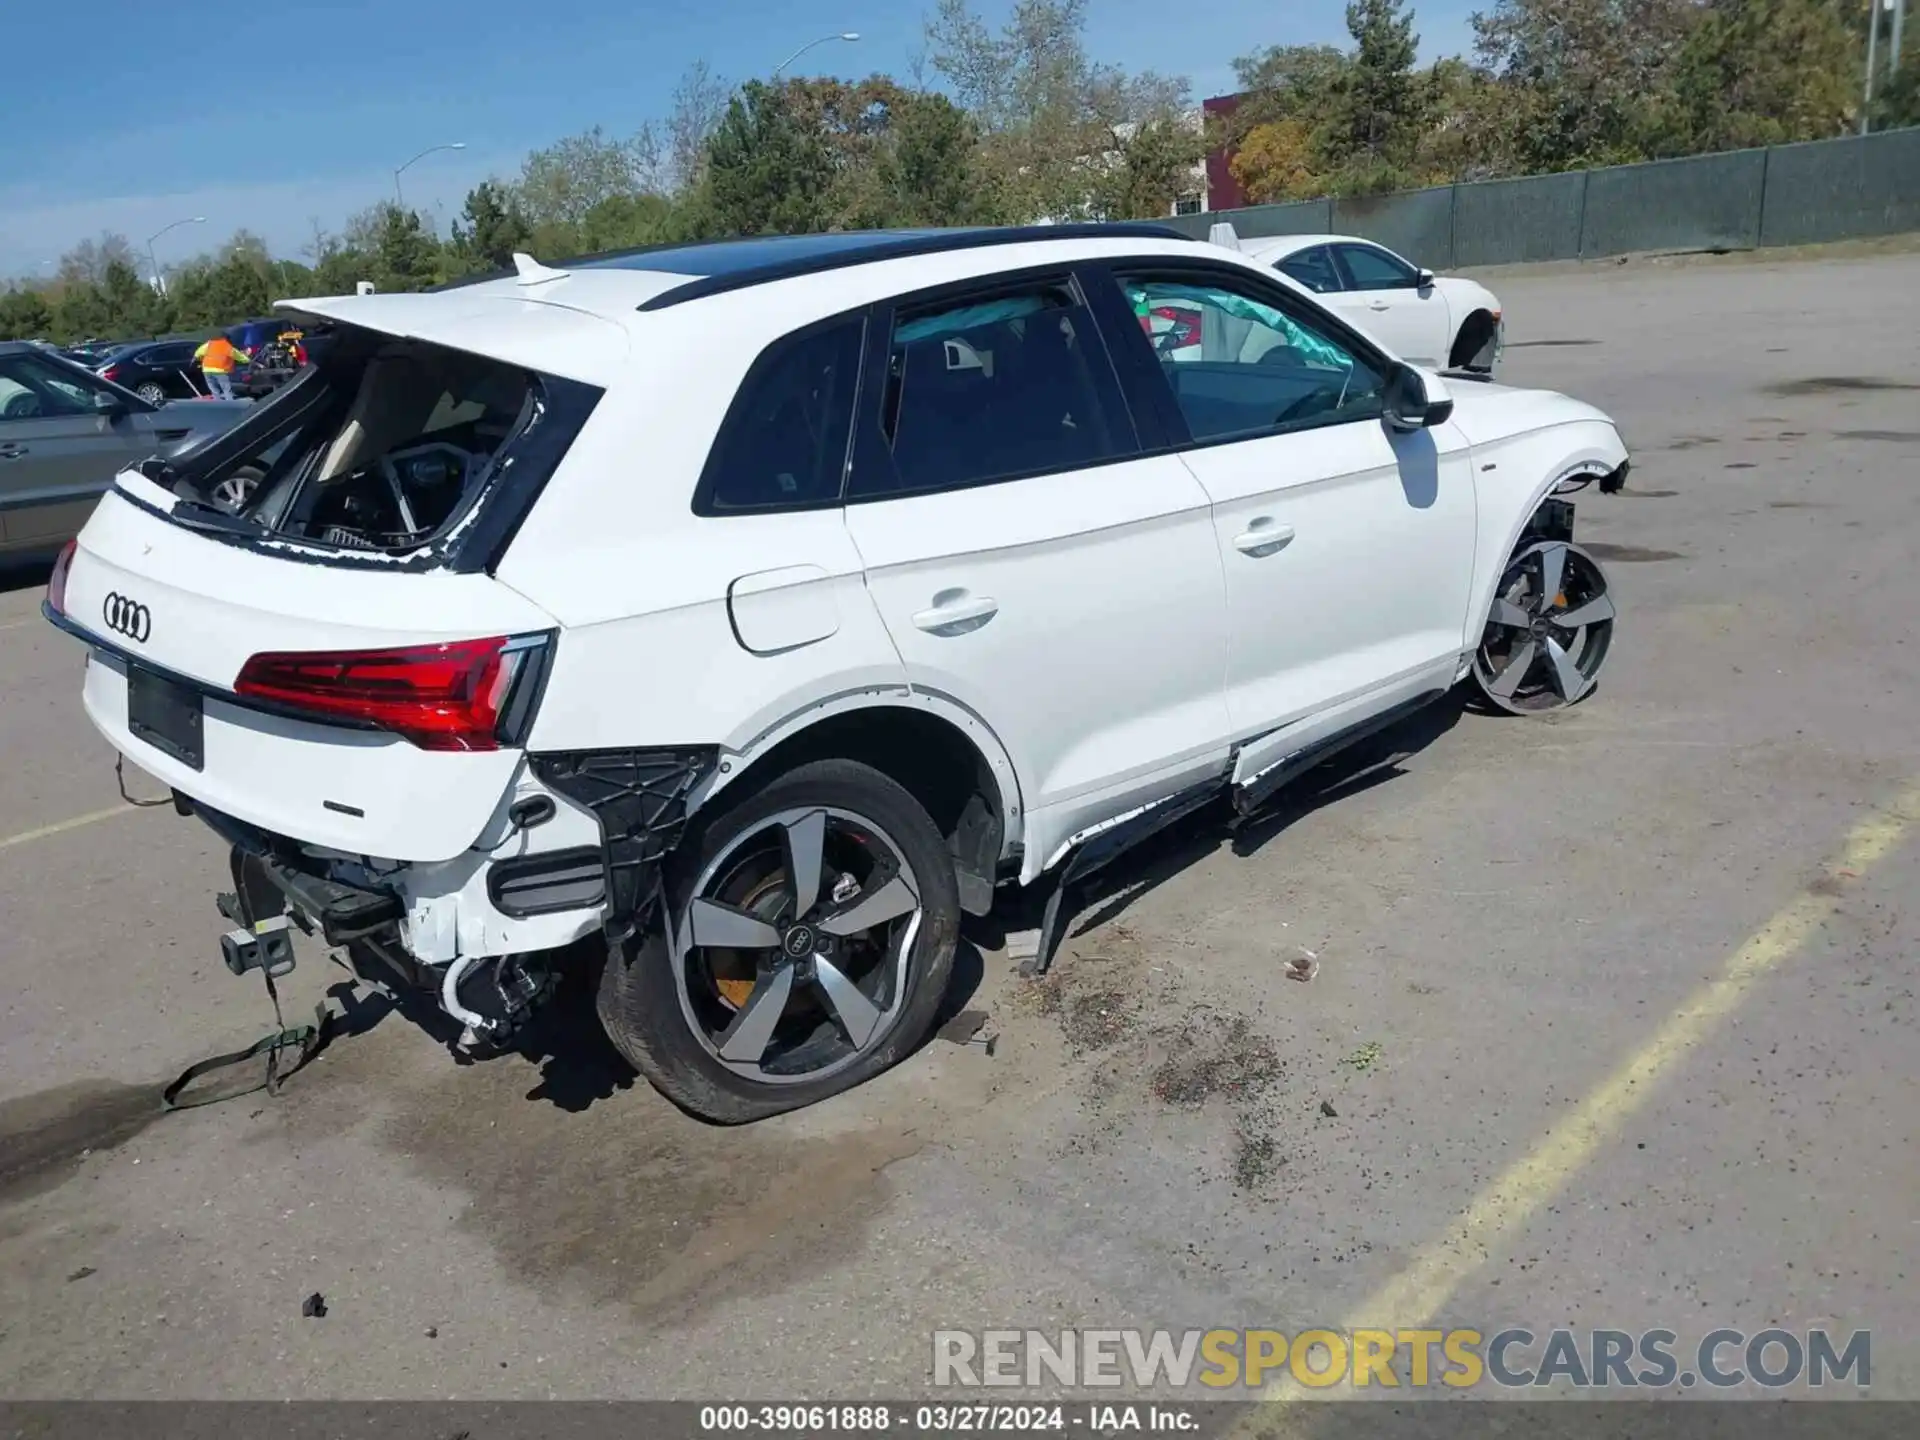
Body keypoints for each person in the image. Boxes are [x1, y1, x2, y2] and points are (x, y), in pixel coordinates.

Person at [192, 333, 250, 400]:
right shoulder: (227, 346)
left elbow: (198, 352)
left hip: (206, 369)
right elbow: (239, 356)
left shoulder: (209, 344)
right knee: (226, 389)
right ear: (227, 339)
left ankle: (218, 403)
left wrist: (195, 359)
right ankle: (230, 405)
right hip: (220, 370)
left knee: (214, 390)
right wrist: (248, 360)